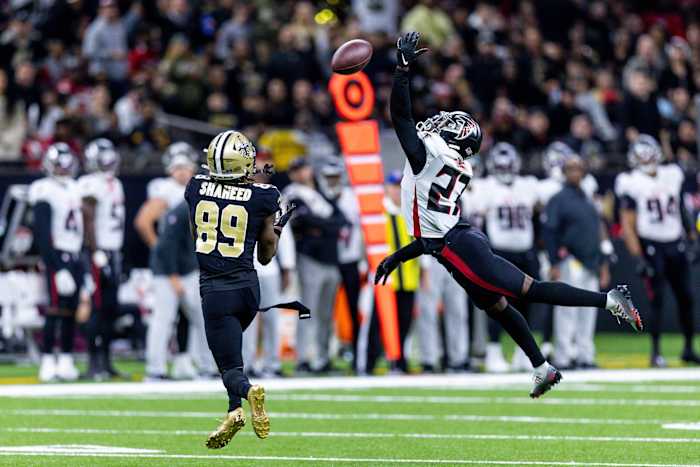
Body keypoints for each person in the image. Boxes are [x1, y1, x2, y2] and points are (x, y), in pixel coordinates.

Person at [376, 32, 642, 398]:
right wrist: (397, 256)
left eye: (448, 122)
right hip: (454, 241)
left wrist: (402, 69)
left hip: (457, 245)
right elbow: (427, 236)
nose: (439, 122)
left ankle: (609, 300)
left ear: (454, 137)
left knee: (528, 291)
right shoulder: (452, 163)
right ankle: (542, 367)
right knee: (497, 306)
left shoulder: (431, 156)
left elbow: (400, 116)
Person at [184, 130, 304, 448]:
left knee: (228, 368)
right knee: (232, 355)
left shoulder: (194, 187)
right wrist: (276, 228)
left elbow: (197, 231)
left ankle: (249, 392)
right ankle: (234, 411)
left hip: (215, 291)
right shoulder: (265, 196)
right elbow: (266, 256)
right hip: (249, 290)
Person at [615, 135, 700, 367]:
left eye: (649, 153)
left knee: (687, 298)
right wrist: (637, 256)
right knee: (657, 300)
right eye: (641, 155)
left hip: (675, 243)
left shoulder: (671, 174)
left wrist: (692, 237)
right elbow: (627, 223)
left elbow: (681, 208)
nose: (647, 159)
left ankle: (688, 349)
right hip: (651, 245)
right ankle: (655, 352)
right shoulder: (630, 181)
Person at [135, 142, 200, 379]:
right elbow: (143, 221)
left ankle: (184, 361)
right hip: (169, 266)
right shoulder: (165, 190)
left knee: (191, 316)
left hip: (189, 262)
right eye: (177, 167)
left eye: (186, 167)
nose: (182, 172)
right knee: (164, 317)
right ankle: (156, 367)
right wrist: (159, 249)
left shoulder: (196, 189)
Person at [476, 143, 542, 372]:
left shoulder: (527, 186)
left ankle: (522, 353)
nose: (505, 169)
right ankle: (493, 351)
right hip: (499, 252)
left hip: (525, 251)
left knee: (526, 304)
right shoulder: (486, 187)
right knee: (498, 304)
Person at [544, 154, 612, 369]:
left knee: (588, 311)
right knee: (567, 310)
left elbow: (597, 232)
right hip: (570, 260)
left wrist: (603, 263)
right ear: (564, 172)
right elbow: (550, 232)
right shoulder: (558, 199)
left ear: (583, 172)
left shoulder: (587, 198)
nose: (575, 172)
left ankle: (585, 355)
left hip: (591, 261)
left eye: (578, 168)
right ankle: (563, 356)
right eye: (571, 169)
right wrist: (553, 262)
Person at [283, 158, 347, 374]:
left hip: (330, 258)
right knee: (307, 311)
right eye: (296, 170)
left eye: (304, 168)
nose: (301, 173)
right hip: (310, 257)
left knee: (326, 314)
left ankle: (322, 358)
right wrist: (328, 226)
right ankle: (303, 359)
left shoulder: (320, 192)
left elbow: (342, 220)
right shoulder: (293, 193)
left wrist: (323, 227)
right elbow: (304, 220)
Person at [29, 143, 84, 382]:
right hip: (57, 255)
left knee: (71, 311)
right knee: (54, 310)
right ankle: (48, 360)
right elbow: (42, 233)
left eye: (66, 165)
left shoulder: (75, 187)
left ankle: (66, 359)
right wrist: (57, 267)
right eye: (59, 165)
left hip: (74, 253)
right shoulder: (43, 189)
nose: (63, 169)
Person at [77, 139, 126, 379]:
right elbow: (88, 219)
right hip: (97, 252)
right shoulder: (89, 183)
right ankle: (93, 361)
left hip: (114, 251)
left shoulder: (115, 183)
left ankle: (106, 361)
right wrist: (94, 250)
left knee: (110, 309)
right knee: (96, 307)